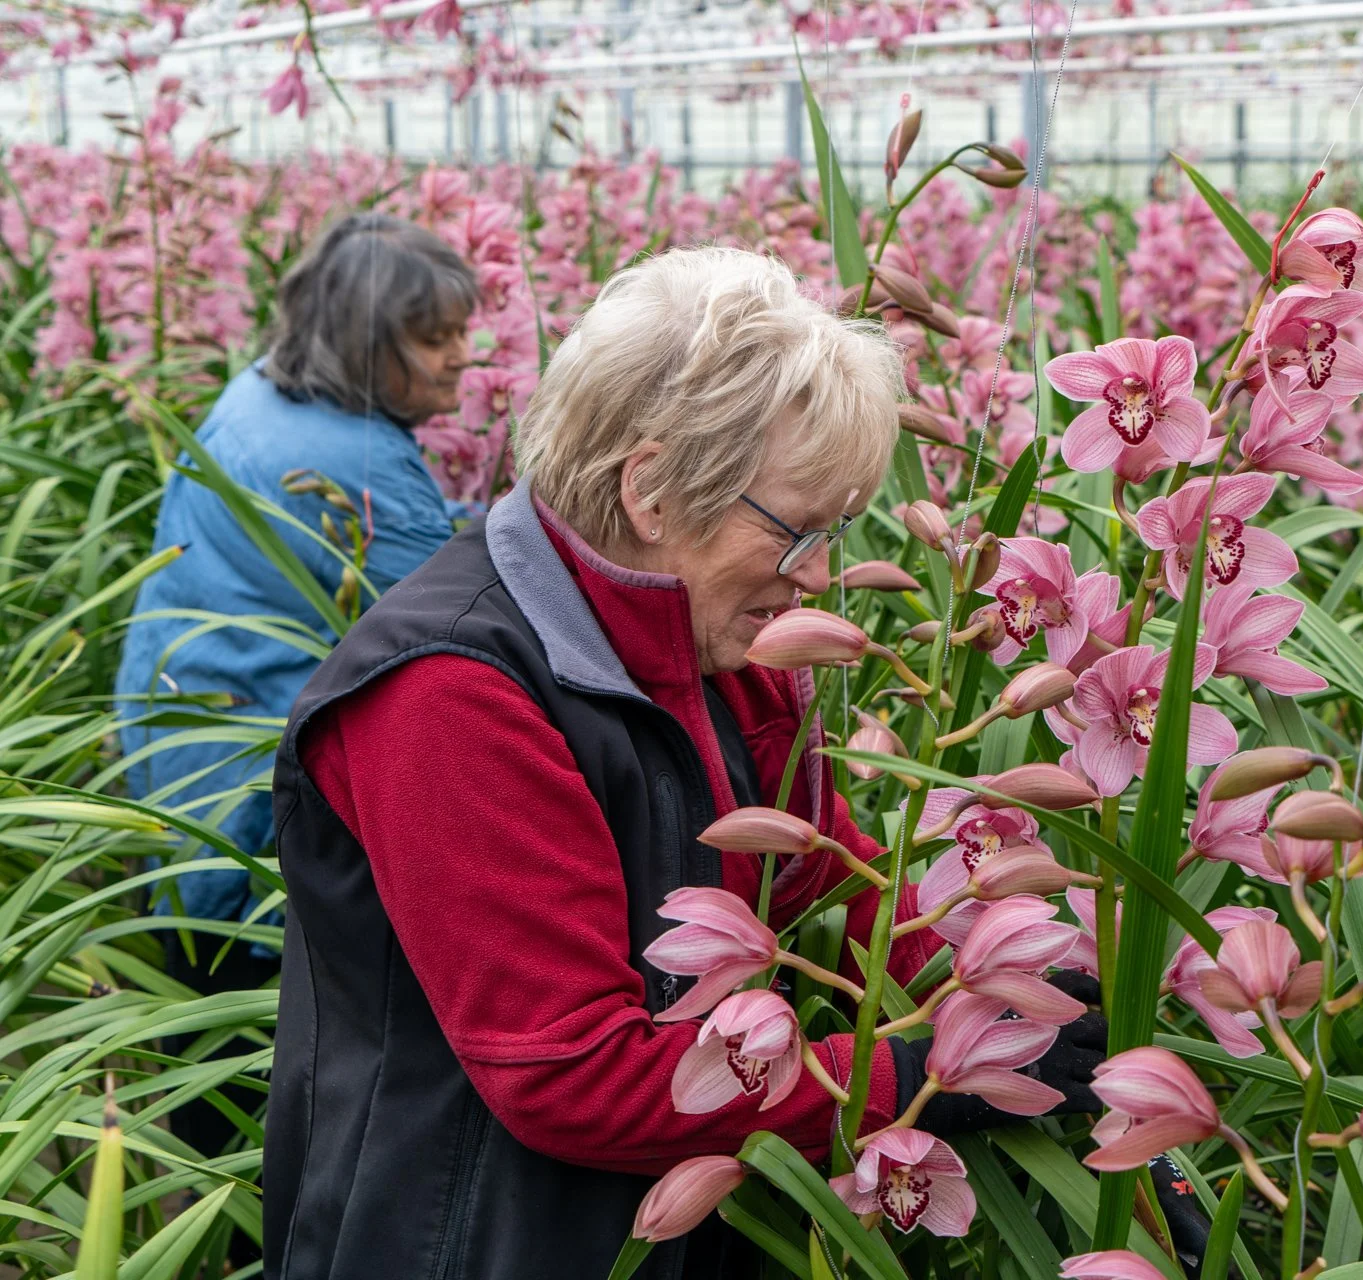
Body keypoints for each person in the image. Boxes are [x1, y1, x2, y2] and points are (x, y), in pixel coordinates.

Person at [262, 247, 1131, 1280]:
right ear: (654, 490)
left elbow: (843, 882)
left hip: (673, 1214)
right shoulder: (449, 695)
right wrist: (910, 1072)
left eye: (835, 530)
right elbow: (569, 1071)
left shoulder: (725, 650)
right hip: (466, 1237)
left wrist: (1025, 1005)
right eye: (796, 529)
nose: (817, 574)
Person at [113, 214, 476, 1161]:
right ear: (365, 339)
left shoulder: (260, 397)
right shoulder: (351, 465)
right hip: (249, 796)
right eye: (434, 339)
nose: (461, 364)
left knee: (198, 1007)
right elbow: (455, 620)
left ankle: (201, 1190)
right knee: (262, 1049)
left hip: (176, 734)